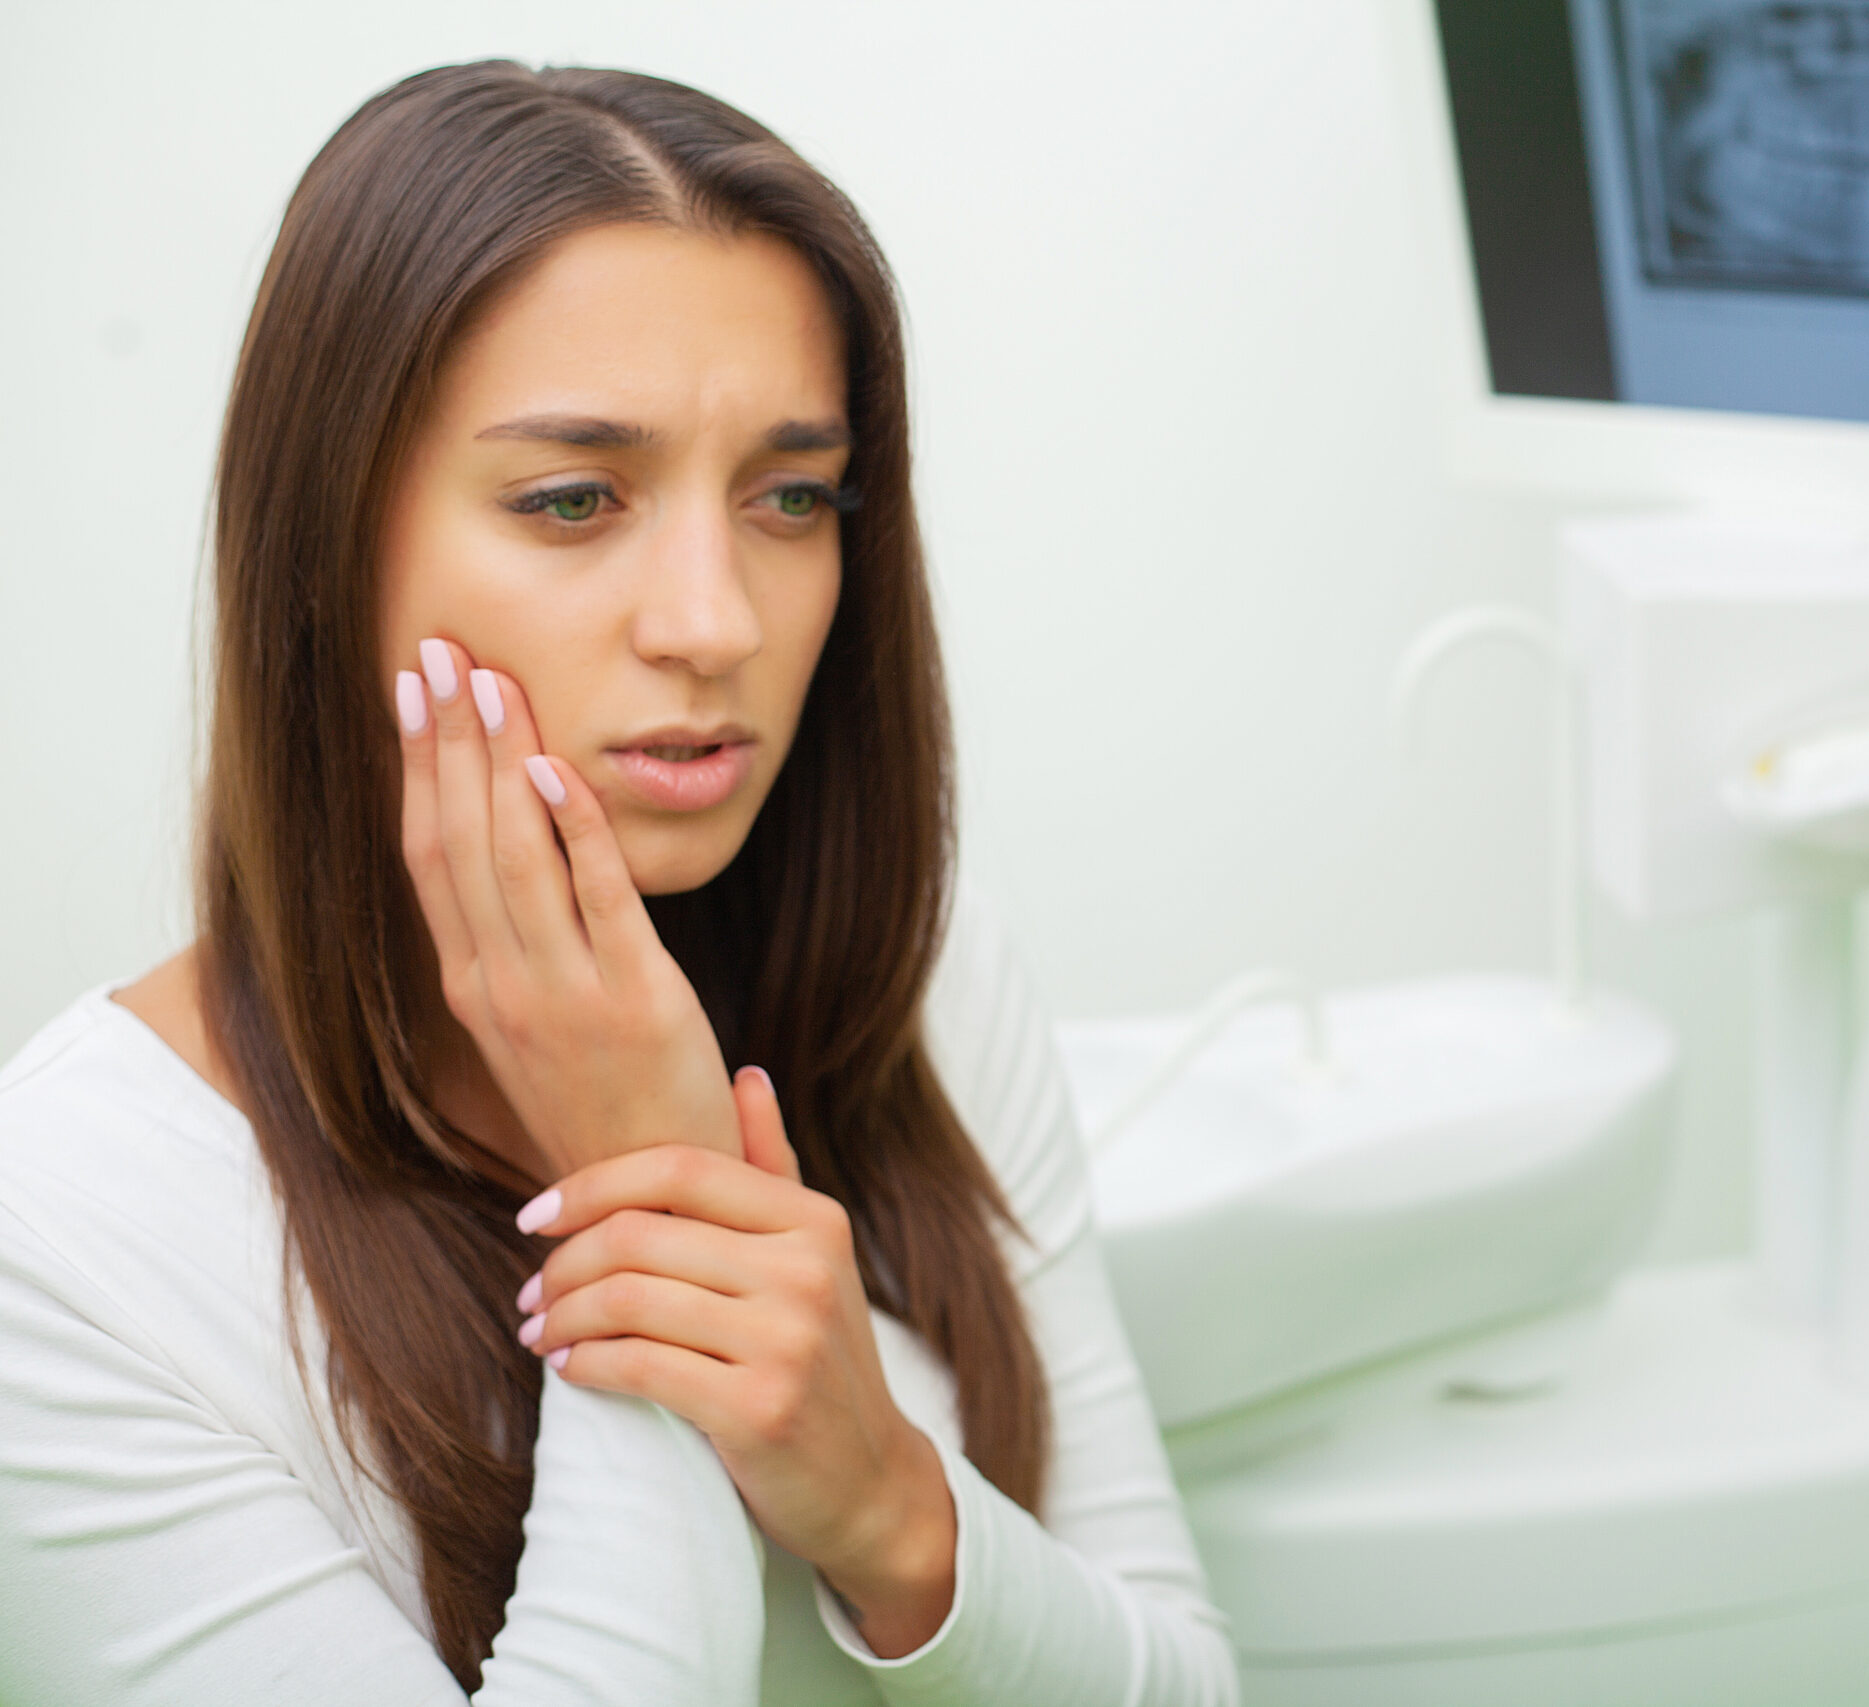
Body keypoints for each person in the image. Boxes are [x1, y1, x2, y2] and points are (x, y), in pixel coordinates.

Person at [0, 61, 1238, 1706]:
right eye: (574, 500)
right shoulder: (66, 1236)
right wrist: (649, 1192)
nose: (715, 622)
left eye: (791, 497)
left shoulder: (920, 976)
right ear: (326, 545)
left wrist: (888, 1505)